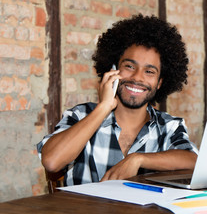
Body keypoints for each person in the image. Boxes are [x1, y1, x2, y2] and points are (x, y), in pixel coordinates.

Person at [37, 14, 198, 186]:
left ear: (159, 83)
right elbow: (52, 162)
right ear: (113, 70)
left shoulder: (169, 126)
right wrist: (104, 107)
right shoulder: (81, 115)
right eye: (129, 66)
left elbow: (194, 162)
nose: (137, 77)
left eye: (149, 71)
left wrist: (137, 160)